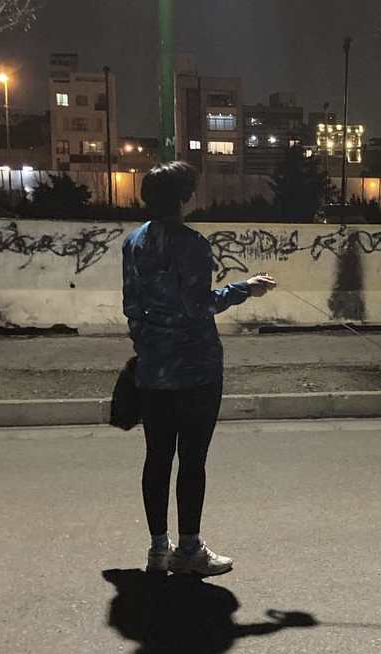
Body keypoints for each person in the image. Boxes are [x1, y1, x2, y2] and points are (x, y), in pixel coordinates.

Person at [122, 160, 275, 576]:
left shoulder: (132, 242)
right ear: (185, 196)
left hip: (153, 369)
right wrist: (246, 288)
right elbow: (198, 305)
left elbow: (131, 307)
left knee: (156, 457)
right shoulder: (192, 243)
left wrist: (148, 347)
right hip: (195, 368)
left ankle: (157, 549)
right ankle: (188, 550)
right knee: (192, 460)